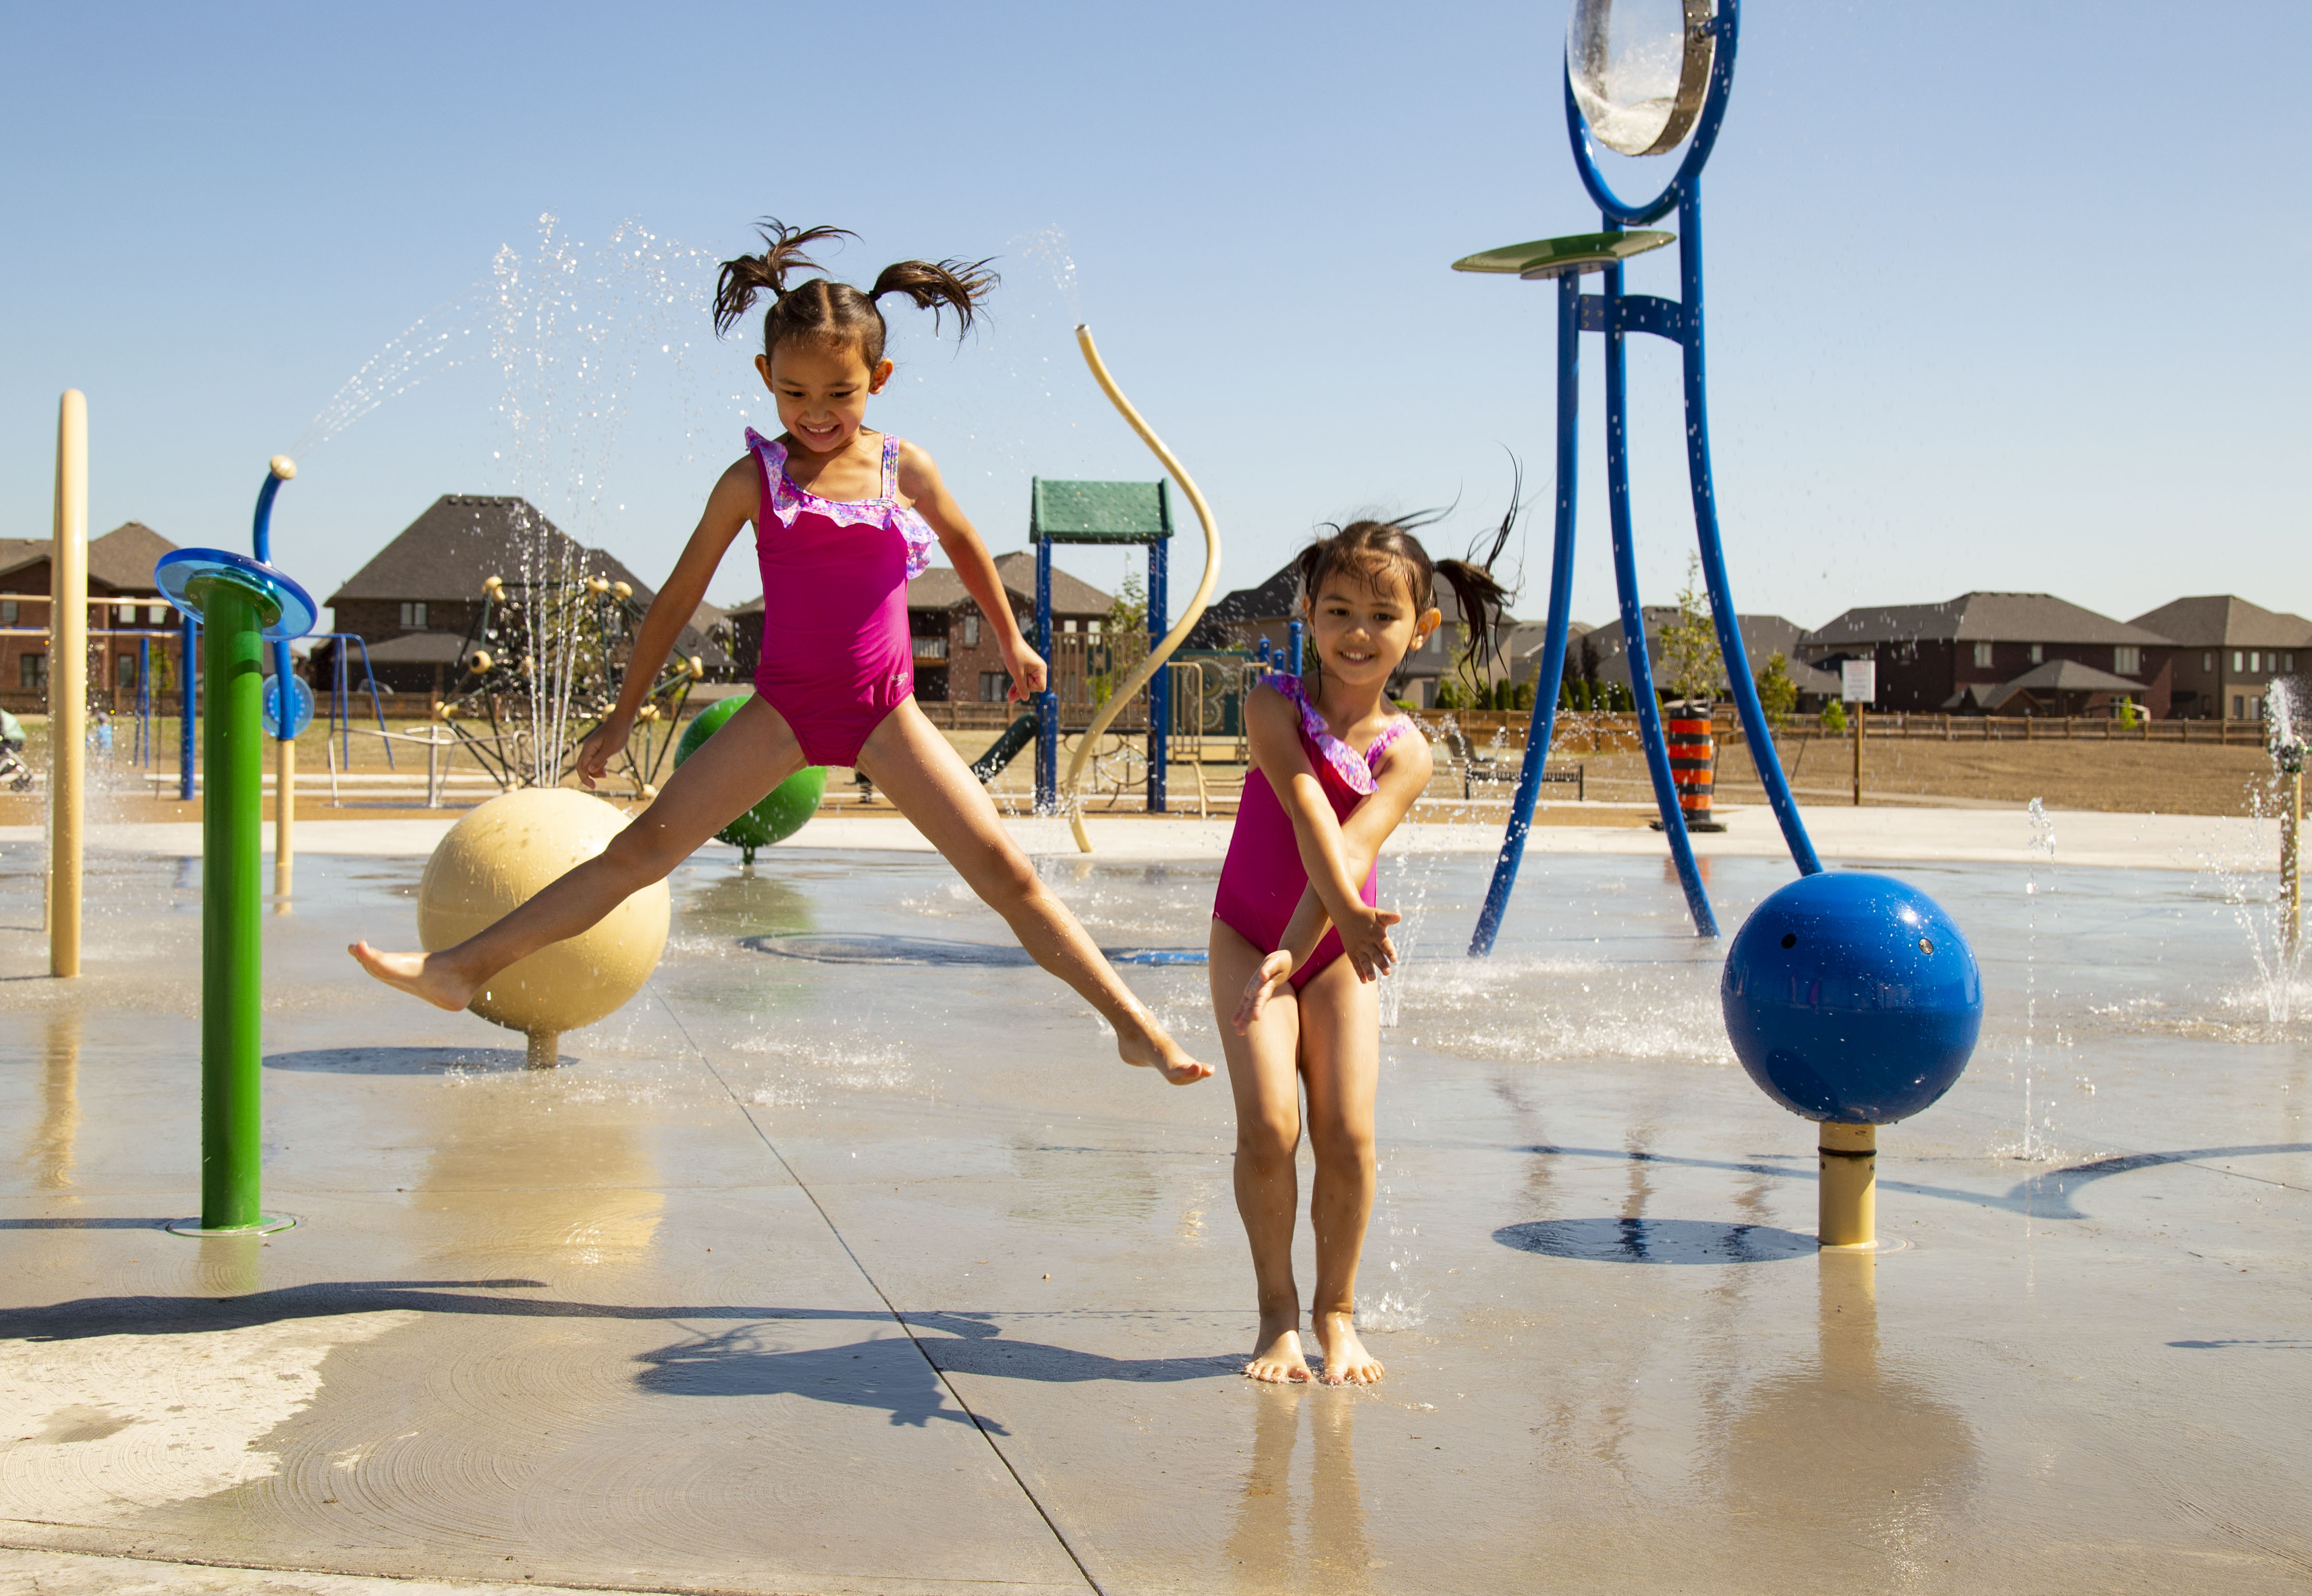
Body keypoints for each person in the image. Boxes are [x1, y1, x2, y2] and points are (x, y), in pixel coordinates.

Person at [350, 222, 1211, 1087]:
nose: (817, 412)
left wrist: (1016, 634)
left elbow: (967, 545)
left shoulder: (902, 468)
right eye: (794, 391)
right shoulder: (751, 481)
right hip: (782, 714)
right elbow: (679, 599)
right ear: (764, 377)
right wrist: (619, 718)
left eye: (839, 392)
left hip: (886, 716)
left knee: (1008, 874)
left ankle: (1132, 1023)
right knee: (638, 852)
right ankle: (461, 968)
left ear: (878, 380)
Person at [1213, 519, 1506, 1384]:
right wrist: (1287, 945)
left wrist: (1318, 934)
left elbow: (1353, 845)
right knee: (1270, 1124)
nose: (1357, 632)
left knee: (1346, 1133)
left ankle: (1337, 1313)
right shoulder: (1271, 704)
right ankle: (1276, 1316)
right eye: (1337, 609)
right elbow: (1307, 808)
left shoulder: (1408, 750)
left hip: (1339, 949)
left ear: (1422, 628)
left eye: (1382, 615)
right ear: (1305, 610)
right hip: (1247, 936)